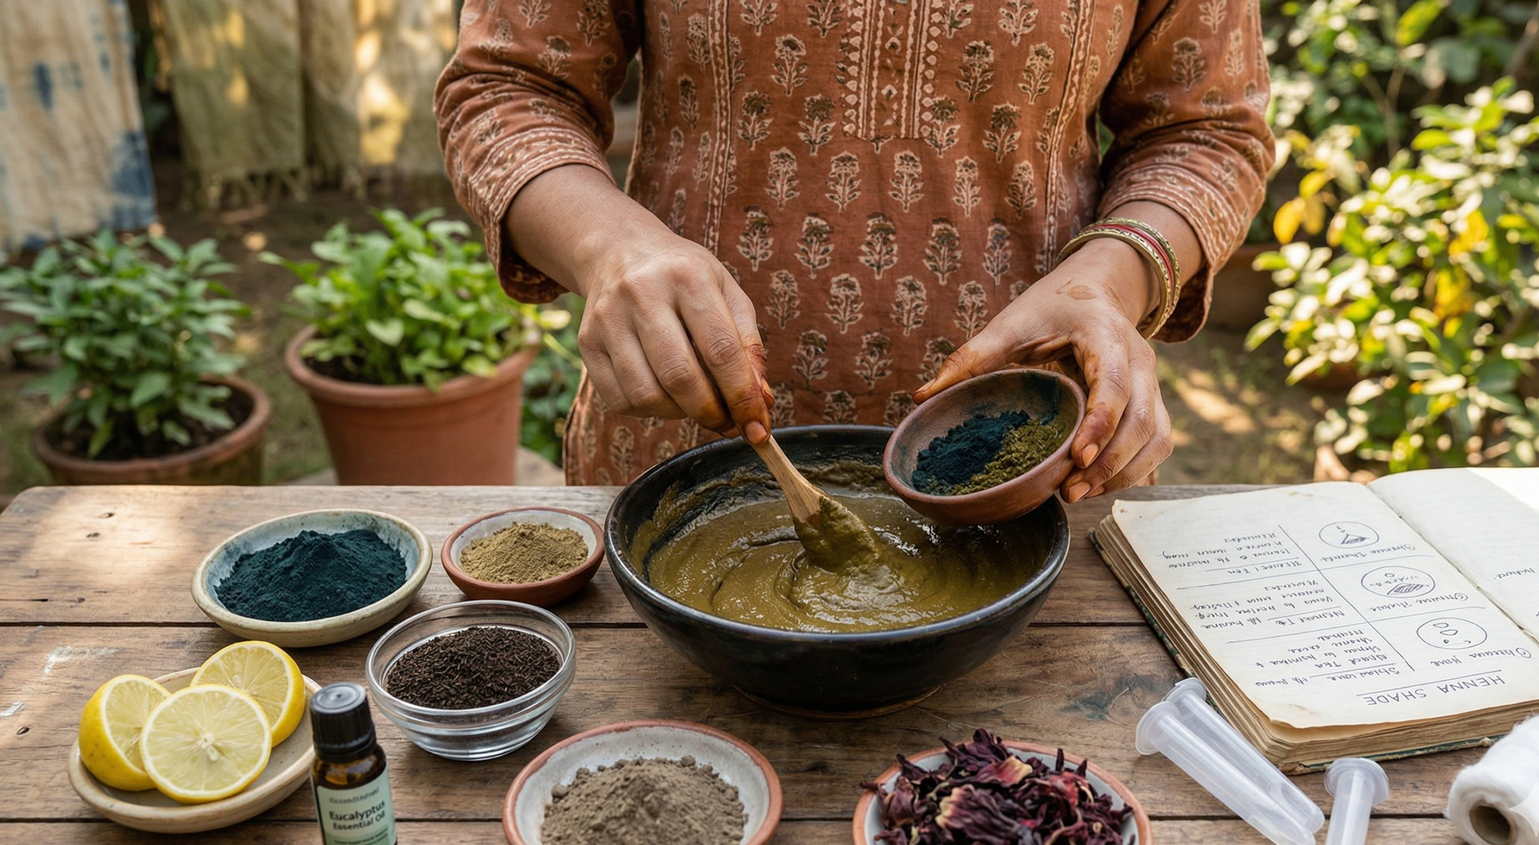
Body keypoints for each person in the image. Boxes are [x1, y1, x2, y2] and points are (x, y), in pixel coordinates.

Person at [436, 1, 1272, 498]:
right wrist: (609, 247)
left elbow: (1206, 129)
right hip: (683, 438)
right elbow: (510, 86)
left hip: (1043, 461)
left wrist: (1112, 279)